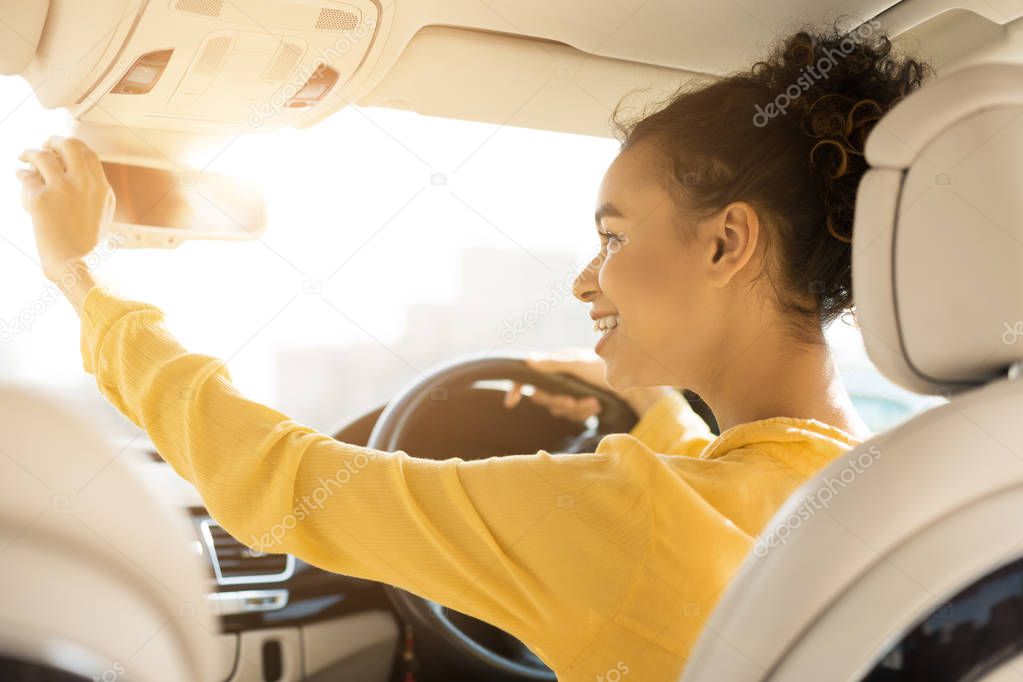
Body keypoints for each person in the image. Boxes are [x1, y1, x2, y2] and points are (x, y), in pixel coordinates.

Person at [14, 25, 928, 682]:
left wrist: (84, 281)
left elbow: (280, 488)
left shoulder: (625, 516)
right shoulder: (890, 486)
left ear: (727, 244)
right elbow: (718, 519)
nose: (584, 282)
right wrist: (652, 415)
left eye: (612, 237)